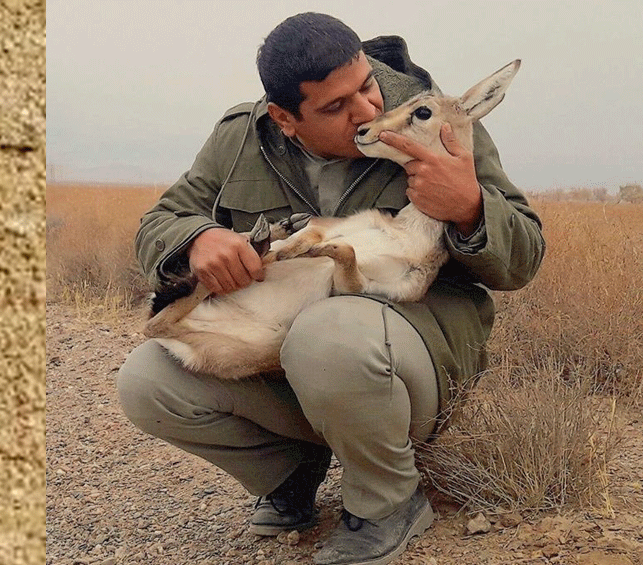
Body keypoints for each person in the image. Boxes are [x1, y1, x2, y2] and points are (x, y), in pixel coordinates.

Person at [117, 12, 544, 565]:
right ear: (285, 117)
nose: (367, 112)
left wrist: (468, 208)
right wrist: (198, 239)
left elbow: (524, 257)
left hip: (411, 357)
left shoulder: (432, 117)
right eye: (336, 108)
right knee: (148, 380)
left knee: (327, 331)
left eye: (366, 86)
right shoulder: (241, 137)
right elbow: (163, 220)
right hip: (289, 358)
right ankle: (290, 473)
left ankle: (388, 503)